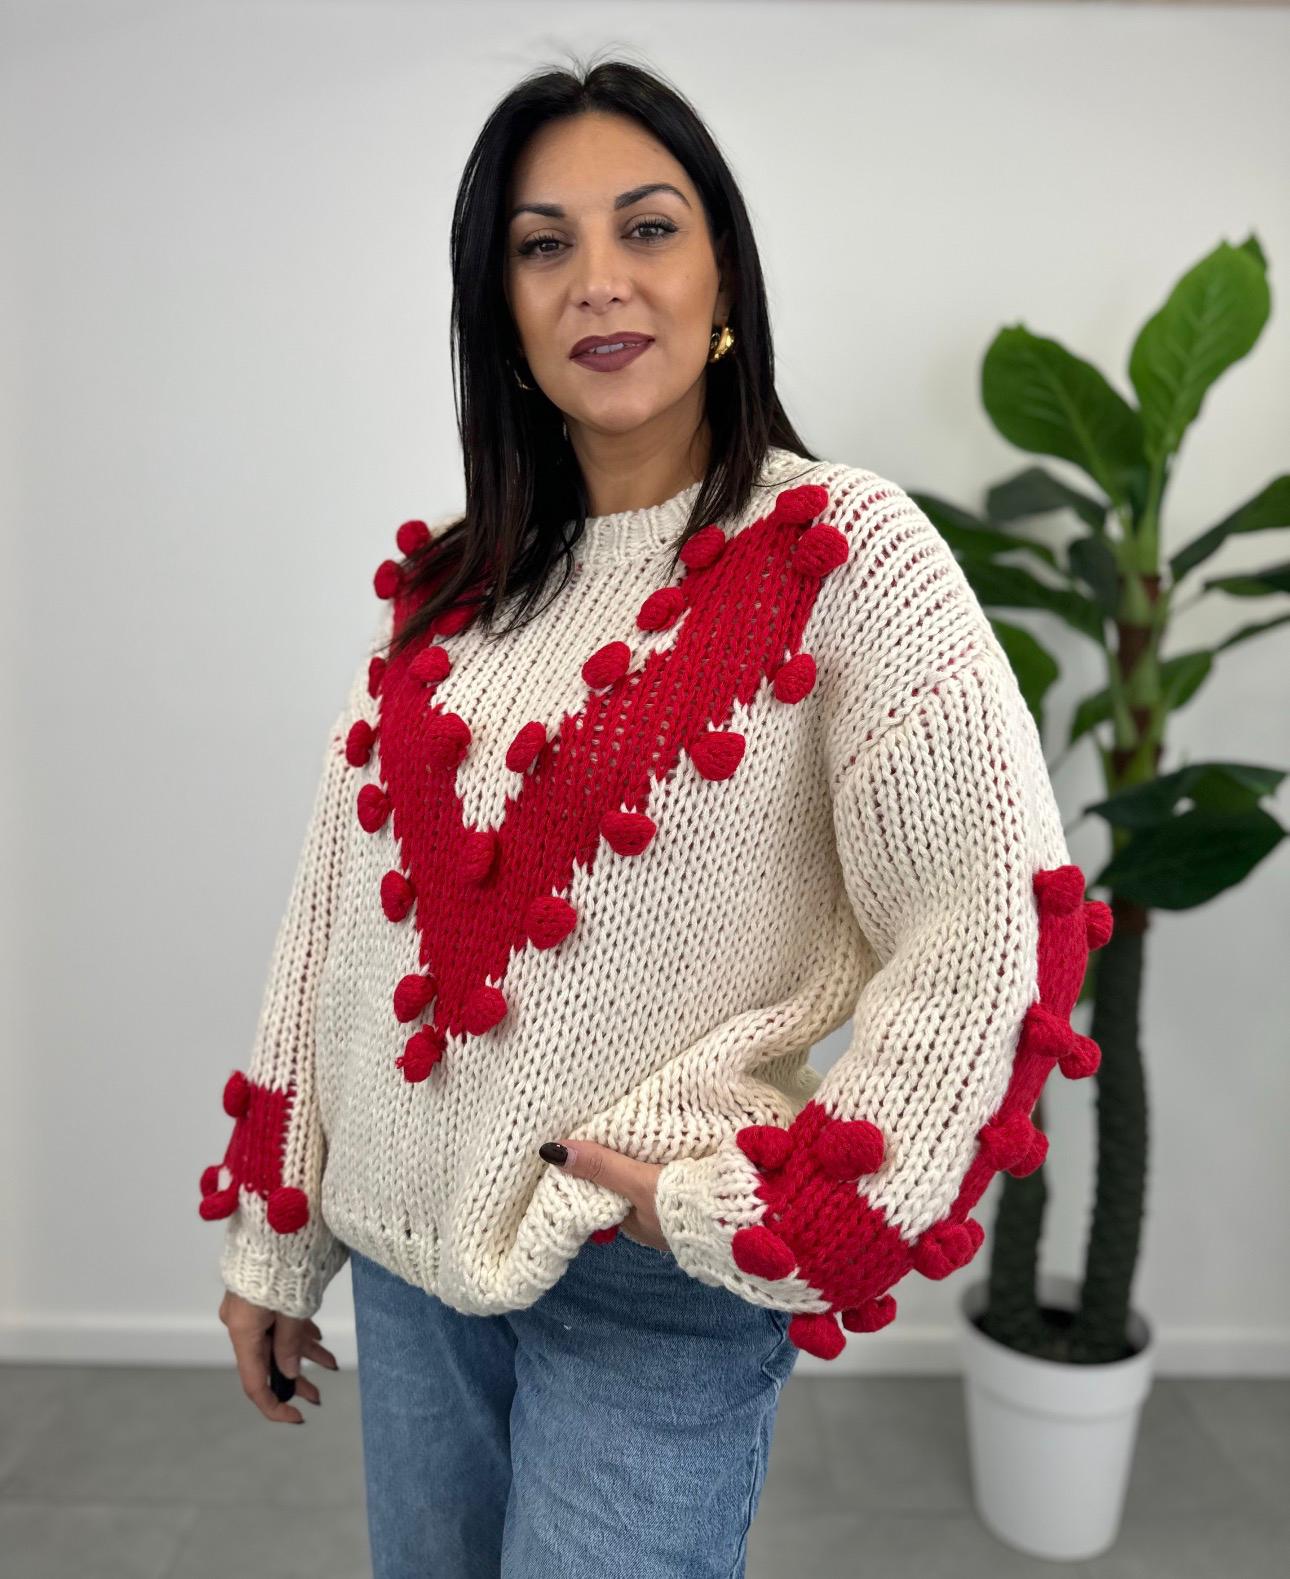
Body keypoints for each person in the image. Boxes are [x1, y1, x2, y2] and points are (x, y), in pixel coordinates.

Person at [199, 54, 1109, 1579]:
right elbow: (332, 936)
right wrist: (278, 1238)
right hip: (406, 1256)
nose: (598, 281)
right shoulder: (442, 596)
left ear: (721, 275)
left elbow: (992, 923)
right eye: (541, 246)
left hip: (645, 1278)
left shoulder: (839, 554)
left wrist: (786, 1205)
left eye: (647, 228)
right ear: (498, 309)